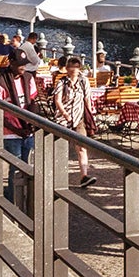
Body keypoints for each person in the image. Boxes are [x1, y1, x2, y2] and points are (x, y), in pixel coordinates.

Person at [0, 57, 35, 209]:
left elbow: (33, 101)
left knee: (27, 165)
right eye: (20, 64)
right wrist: (15, 128)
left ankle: (24, 197)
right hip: (10, 132)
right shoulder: (1, 83)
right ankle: (12, 200)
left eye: (24, 64)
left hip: (27, 129)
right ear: (12, 64)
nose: (23, 67)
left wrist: (34, 122)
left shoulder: (29, 78)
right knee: (15, 167)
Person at [53, 55, 96, 188]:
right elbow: (57, 100)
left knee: (82, 147)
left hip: (79, 118)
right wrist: (64, 114)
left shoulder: (84, 82)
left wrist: (90, 114)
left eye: (76, 67)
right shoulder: (62, 82)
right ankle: (57, 175)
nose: (74, 69)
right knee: (60, 147)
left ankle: (84, 176)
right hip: (63, 119)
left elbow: (88, 98)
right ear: (67, 68)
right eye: (71, 66)